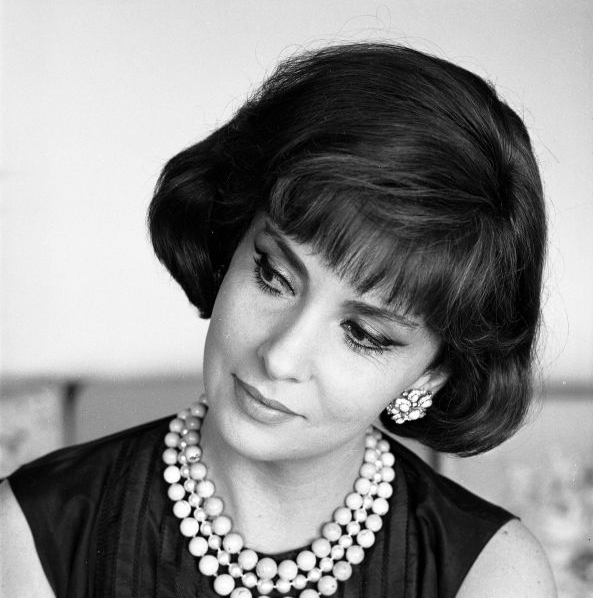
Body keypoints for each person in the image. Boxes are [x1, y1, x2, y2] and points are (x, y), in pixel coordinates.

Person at [0, 43, 556, 597]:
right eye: (273, 275)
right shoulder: (28, 534)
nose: (281, 356)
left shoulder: (497, 576)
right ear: (233, 240)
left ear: (432, 374)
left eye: (363, 334)